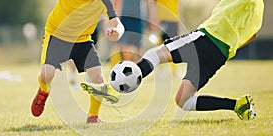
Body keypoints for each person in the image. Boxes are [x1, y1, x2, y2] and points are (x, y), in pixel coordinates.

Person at [82, 0, 264, 120]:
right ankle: (237, 105)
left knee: (155, 54)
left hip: (206, 38)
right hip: (221, 53)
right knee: (184, 100)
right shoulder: (259, 11)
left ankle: (116, 88)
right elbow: (252, 36)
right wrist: (229, 46)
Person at [31, 0, 124, 123]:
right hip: (57, 35)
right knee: (46, 75)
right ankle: (44, 91)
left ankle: (93, 116)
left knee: (98, 78)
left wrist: (117, 32)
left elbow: (118, 24)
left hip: (82, 39)